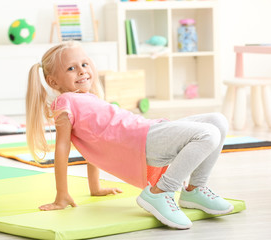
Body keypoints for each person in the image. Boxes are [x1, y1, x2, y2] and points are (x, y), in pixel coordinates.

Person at [26, 41, 234, 230]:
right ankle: (160, 193)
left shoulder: (89, 98)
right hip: (143, 141)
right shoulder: (65, 102)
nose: (82, 71)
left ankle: (194, 190)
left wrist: (95, 187)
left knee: (218, 121)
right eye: (71, 68)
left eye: (85, 64)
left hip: (149, 130)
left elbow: (93, 143)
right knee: (209, 135)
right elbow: (63, 147)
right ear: (53, 82)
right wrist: (61, 194)